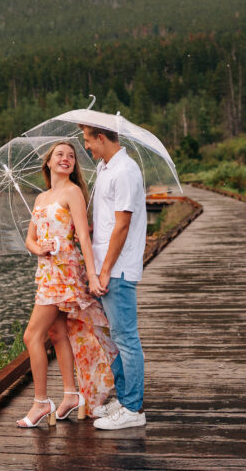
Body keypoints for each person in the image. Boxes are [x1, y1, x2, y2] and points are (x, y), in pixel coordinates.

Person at [17, 141, 117, 428]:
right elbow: (29, 239)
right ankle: (71, 395)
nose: (66, 159)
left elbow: (83, 237)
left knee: (31, 337)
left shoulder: (73, 192)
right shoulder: (40, 198)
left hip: (65, 273)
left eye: (71, 156)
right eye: (59, 155)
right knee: (58, 333)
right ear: (48, 162)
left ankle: (40, 402)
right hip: (46, 272)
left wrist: (94, 275)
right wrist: (39, 248)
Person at [81, 124, 148, 430]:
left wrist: (104, 270)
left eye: (88, 141)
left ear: (102, 138)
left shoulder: (125, 170)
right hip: (106, 266)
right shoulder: (105, 167)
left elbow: (122, 225)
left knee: (126, 339)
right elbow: (108, 221)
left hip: (117, 269)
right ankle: (123, 401)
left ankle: (133, 409)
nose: (87, 147)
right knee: (116, 340)